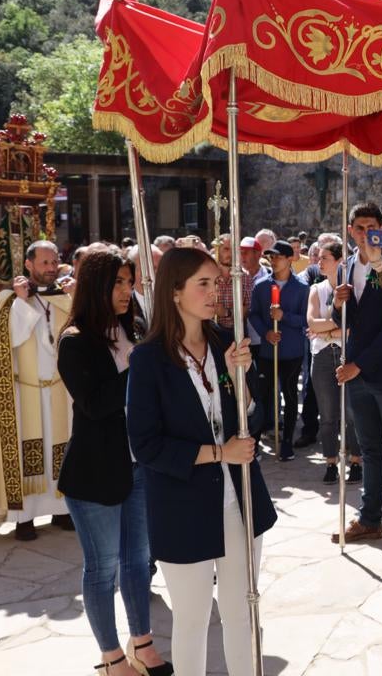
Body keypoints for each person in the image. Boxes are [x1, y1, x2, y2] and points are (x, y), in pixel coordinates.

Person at [126, 247, 277, 676]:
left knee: (242, 612)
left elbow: (251, 418)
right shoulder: (148, 359)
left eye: (217, 283)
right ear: (175, 292)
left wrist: (240, 382)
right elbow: (145, 445)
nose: (216, 294)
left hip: (239, 500)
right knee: (191, 621)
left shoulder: (224, 342)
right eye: (204, 284)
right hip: (181, 506)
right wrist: (217, 454)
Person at [56, 249, 170, 676]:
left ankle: (142, 643)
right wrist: (138, 367)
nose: (127, 291)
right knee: (102, 569)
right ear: (97, 287)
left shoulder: (133, 328)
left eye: (129, 282)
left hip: (138, 465)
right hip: (95, 472)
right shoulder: (75, 340)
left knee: (137, 562)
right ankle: (111, 658)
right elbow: (95, 403)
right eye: (118, 283)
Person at [0, 241, 75, 541]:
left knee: (61, 450)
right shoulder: (9, 298)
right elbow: (7, 341)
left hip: (59, 389)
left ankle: (62, 510)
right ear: (29, 264)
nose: (51, 267)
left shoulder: (63, 295)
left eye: (54, 261)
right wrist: (21, 302)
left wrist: (74, 298)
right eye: (44, 262)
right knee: (26, 452)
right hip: (24, 392)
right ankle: (25, 517)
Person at [330, 203, 382, 546]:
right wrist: (337, 306)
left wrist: (359, 365)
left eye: (371, 227)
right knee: (368, 449)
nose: (365, 233)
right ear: (351, 230)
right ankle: (370, 518)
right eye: (359, 227)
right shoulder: (345, 268)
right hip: (357, 375)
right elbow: (345, 324)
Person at [248, 241, 309, 462]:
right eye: (271, 257)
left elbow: (306, 319)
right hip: (267, 351)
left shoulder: (302, 288)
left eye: (278, 257)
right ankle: (254, 441)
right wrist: (266, 333)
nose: (274, 261)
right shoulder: (261, 286)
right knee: (261, 395)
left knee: (290, 396)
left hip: (292, 351)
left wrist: (284, 317)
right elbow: (253, 314)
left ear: (289, 258)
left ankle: (286, 443)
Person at [306, 240, 359, 485]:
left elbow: (353, 329)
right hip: (323, 358)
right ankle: (330, 462)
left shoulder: (352, 289)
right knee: (327, 414)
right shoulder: (316, 289)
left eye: (324, 257)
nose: (319, 261)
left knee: (351, 412)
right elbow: (312, 324)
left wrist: (327, 331)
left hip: (348, 355)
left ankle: (356, 461)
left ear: (339, 261)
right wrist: (336, 328)